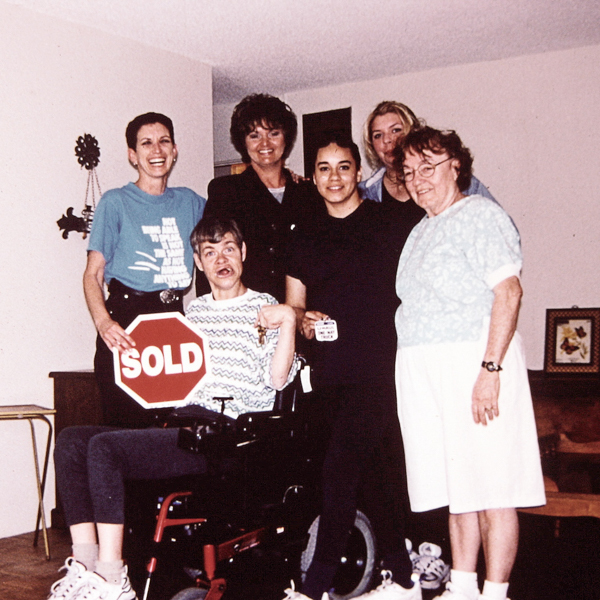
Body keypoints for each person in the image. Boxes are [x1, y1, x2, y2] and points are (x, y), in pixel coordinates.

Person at [50, 216, 298, 600]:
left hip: (226, 434)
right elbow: (171, 378)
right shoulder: (192, 313)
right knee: (71, 440)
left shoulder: (264, 307)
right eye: (210, 252)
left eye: (229, 248)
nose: (221, 260)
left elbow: (278, 381)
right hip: (182, 423)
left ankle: (113, 579)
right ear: (197, 262)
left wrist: (287, 322)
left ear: (244, 253)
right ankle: (85, 568)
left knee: (105, 449)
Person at [393, 127, 545, 600]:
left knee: (492, 487)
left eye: (429, 167)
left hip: (474, 365)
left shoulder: (480, 215)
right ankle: (462, 588)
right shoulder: (420, 230)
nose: (418, 180)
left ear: (456, 166)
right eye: (409, 171)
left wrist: (490, 371)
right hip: (426, 372)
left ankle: (494, 593)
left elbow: (509, 292)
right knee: (456, 489)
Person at [284, 133, 420, 600]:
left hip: (382, 371)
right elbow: (294, 305)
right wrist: (303, 320)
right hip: (328, 376)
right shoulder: (303, 235)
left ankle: (313, 586)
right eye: (324, 168)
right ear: (313, 177)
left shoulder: (391, 225)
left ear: (359, 173)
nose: (334, 176)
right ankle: (404, 576)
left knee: (340, 470)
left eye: (344, 166)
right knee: (373, 474)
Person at [83, 112, 206, 428]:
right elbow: (93, 273)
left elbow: (229, 235)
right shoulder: (115, 202)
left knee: (173, 434)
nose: (157, 151)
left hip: (175, 324)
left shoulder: (191, 202)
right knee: (128, 434)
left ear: (174, 150)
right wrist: (103, 323)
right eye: (146, 143)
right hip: (126, 324)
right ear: (132, 155)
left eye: (164, 141)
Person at [201, 93, 315, 303]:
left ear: (286, 138)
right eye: (254, 135)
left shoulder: (308, 193)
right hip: (248, 314)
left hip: (301, 314)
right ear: (243, 142)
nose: (265, 143)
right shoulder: (226, 191)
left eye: (274, 133)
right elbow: (209, 255)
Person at [359, 101, 494, 225]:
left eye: (396, 130)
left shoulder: (454, 178)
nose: (387, 140)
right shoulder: (365, 193)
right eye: (378, 135)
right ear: (371, 145)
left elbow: (497, 227)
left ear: (412, 131)